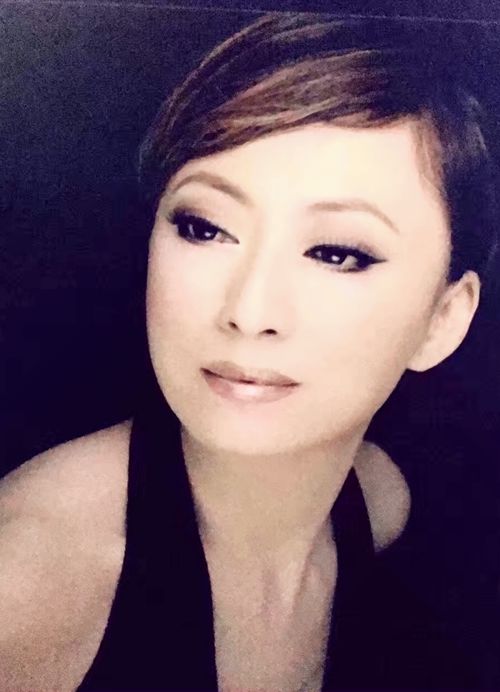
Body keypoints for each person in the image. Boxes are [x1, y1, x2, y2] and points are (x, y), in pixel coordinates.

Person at [0, 11, 497, 692]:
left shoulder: (379, 499)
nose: (248, 312)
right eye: (204, 227)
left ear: (442, 320)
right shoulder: (27, 585)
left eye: (337, 252)